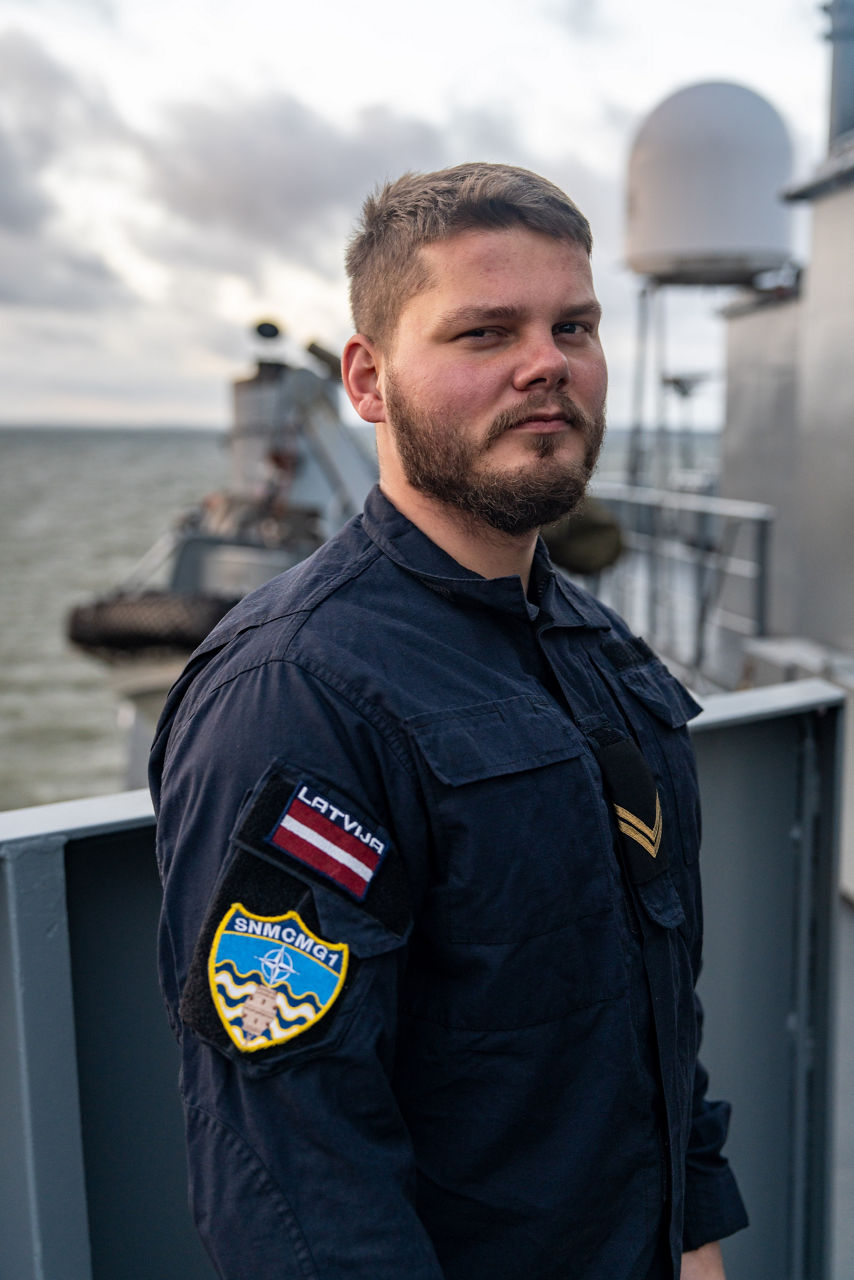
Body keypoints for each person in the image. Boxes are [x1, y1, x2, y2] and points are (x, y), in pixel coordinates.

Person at [150, 162, 748, 1280]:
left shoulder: (596, 654)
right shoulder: (297, 689)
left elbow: (656, 1026)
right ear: (368, 381)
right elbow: (298, 1176)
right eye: (483, 332)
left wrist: (696, 1244)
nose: (547, 363)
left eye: (572, 324)